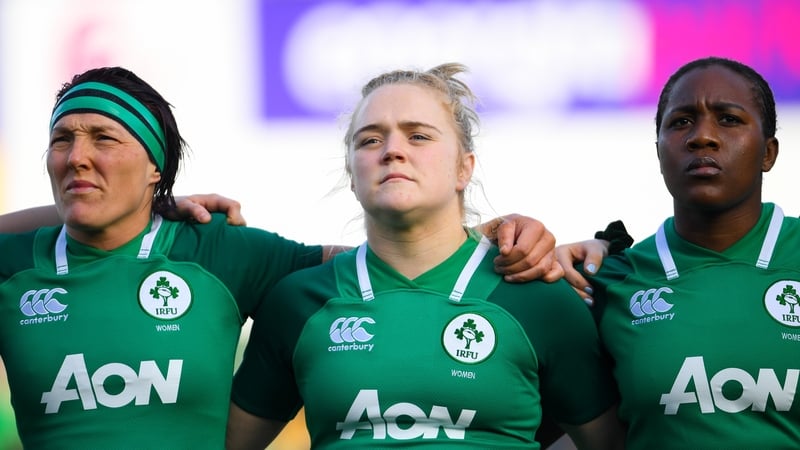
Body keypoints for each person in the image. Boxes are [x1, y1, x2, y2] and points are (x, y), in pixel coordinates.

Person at [0, 66, 560, 448]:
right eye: (62, 140)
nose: (77, 157)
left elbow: (390, 262)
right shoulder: (13, 265)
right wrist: (122, 208)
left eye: (103, 138)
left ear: (155, 166)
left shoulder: (219, 251)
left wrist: (501, 235)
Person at [226, 63, 625, 449]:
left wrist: (607, 244)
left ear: (463, 168)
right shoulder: (298, 301)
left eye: (418, 136)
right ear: (351, 173)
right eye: (370, 139)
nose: (393, 150)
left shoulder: (538, 296)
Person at [555, 56, 799, 449]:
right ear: (658, 152)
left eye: (729, 119)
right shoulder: (608, 281)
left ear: (768, 153)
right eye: (682, 121)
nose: (702, 136)